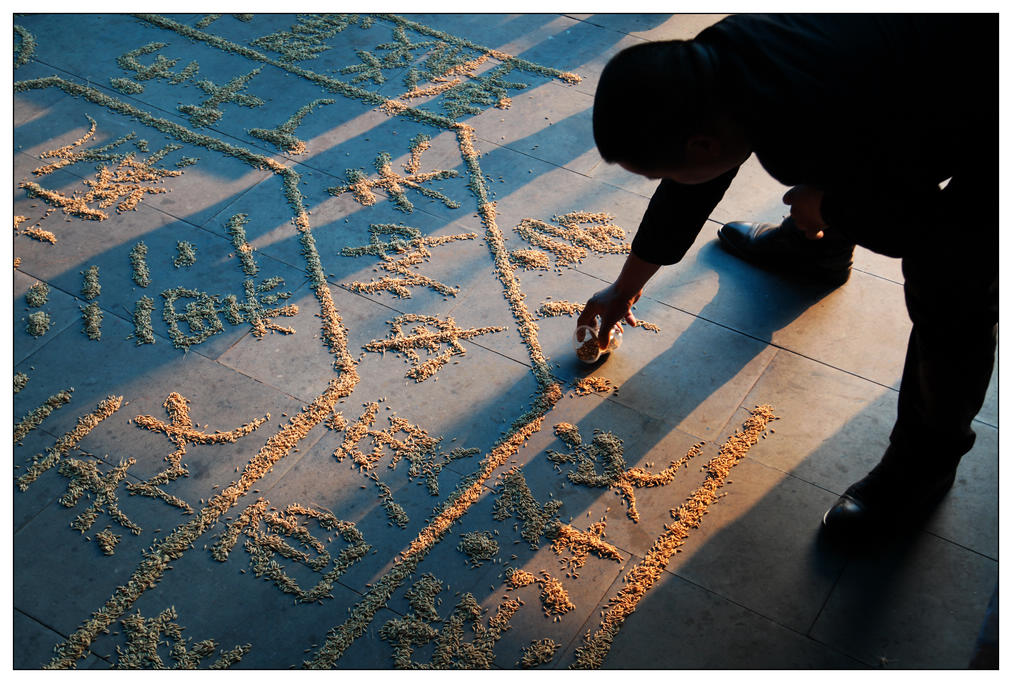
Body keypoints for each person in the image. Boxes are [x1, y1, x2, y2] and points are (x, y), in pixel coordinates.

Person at [579, 14, 997, 543]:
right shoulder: (711, 66)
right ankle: (813, 252)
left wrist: (830, 205)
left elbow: (924, 228)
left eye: (663, 170)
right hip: (897, 75)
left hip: (987, 98)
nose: (668, 180)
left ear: (703, 144)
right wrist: (624, 287)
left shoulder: (814, 110)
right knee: (831, 162)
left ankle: (926, 462)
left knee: (954, 283)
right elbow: (693, 183)